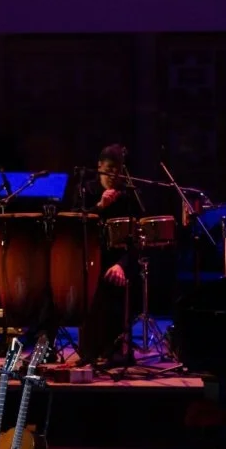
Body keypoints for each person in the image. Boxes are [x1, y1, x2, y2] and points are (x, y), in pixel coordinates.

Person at [69, 144, 142, 364]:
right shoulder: (86, 190)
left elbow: (138, 238)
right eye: (109, 169)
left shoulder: (129, 194)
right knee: (92, 285)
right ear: (99, 166)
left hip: (117, 259)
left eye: (118, 170)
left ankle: (117, 348)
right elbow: (74, 224)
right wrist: (100, 206)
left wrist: (122, 264)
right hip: (90, 258)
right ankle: (90, 350)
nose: (113, 175)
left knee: (124, 280)